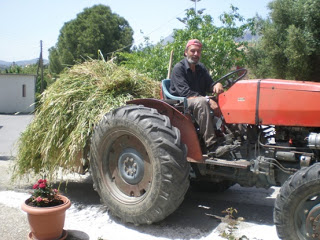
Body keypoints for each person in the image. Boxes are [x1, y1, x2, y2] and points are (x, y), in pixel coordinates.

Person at [169, 39, 231, 157]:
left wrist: (216, 85)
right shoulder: (179, 69)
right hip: (182, 103)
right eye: (193, 51)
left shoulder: (201, 68)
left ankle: (235, 136)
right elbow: (185, 93)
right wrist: (208, 100)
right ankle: (212, 146)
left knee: (227, 99)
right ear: (186, 52)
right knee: (202, 102)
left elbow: (210, 85)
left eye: (198, 52)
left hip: (198, 99)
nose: (196, 54)